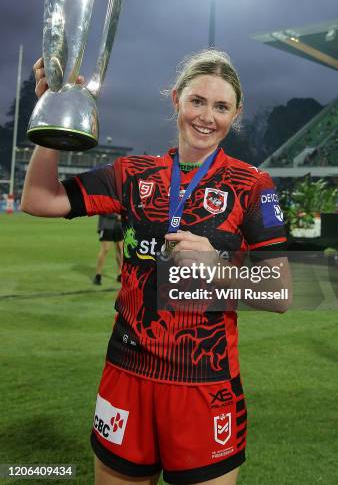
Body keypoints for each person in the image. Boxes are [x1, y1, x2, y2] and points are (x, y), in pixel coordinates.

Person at [22, 50, 291, 485]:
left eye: (221, 107)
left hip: (205, 385)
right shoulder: (133, 173)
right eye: (197, 101)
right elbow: (39, 199)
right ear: (176, 100)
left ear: (236, 113)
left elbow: (280, 293)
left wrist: (215, 266)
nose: (207, 117)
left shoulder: (252, 186)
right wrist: (53, 112)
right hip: (126, 374)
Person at [94, 213, 124, 285]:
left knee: (120, 249)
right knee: (106, 249)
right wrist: (117, 216)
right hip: (106, 224)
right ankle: (98, 275)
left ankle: (120, 274)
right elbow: (103, 208)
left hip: (119, 225)